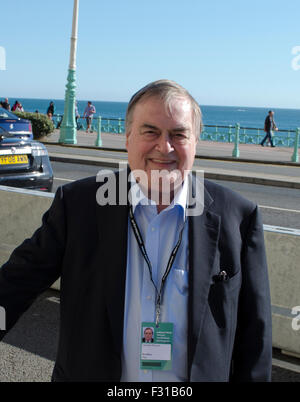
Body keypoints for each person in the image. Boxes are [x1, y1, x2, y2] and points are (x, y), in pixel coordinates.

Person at [0, 80, 272, 382]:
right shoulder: (78, 206)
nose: (164, 146)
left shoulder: (237, 217)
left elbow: (255, 336)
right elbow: (14, 284)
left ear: (195, 141)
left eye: (178, 134)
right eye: (150, 131)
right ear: (128, 137)